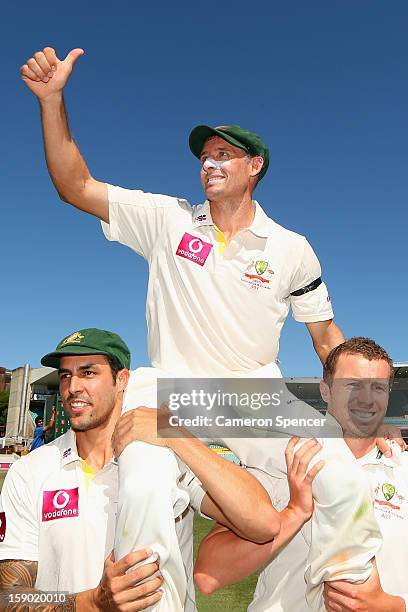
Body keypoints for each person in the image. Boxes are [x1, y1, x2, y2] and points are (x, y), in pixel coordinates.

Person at [20, 47, 391, 610]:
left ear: (254, 167)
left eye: (224, 155)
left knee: (338, 474)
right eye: (204, 156)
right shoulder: (167, 218)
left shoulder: (292, 250)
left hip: (251, 395)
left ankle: (356, 594)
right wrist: (52, 102)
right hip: (167, 389)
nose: (209, 164)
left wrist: (362, 412)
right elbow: (75, 185)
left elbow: (325, 339)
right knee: (143, 484)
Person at [0, 328, 279, 611]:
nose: (73, 388)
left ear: (121, 380)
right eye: (65, 375)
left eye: (88, 373)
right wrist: (92, 602)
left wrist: (174, 434)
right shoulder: (31, 470)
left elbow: (261, 524)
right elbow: (8, 596)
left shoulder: (162, 457)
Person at [195, 338, 408, 612]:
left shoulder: (402, 471)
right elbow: (209, 574)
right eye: (352, 384)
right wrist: (294, 512)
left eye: (378, 387)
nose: (366, 399)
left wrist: (394, 606)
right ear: (326, 390)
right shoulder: (282, 459)